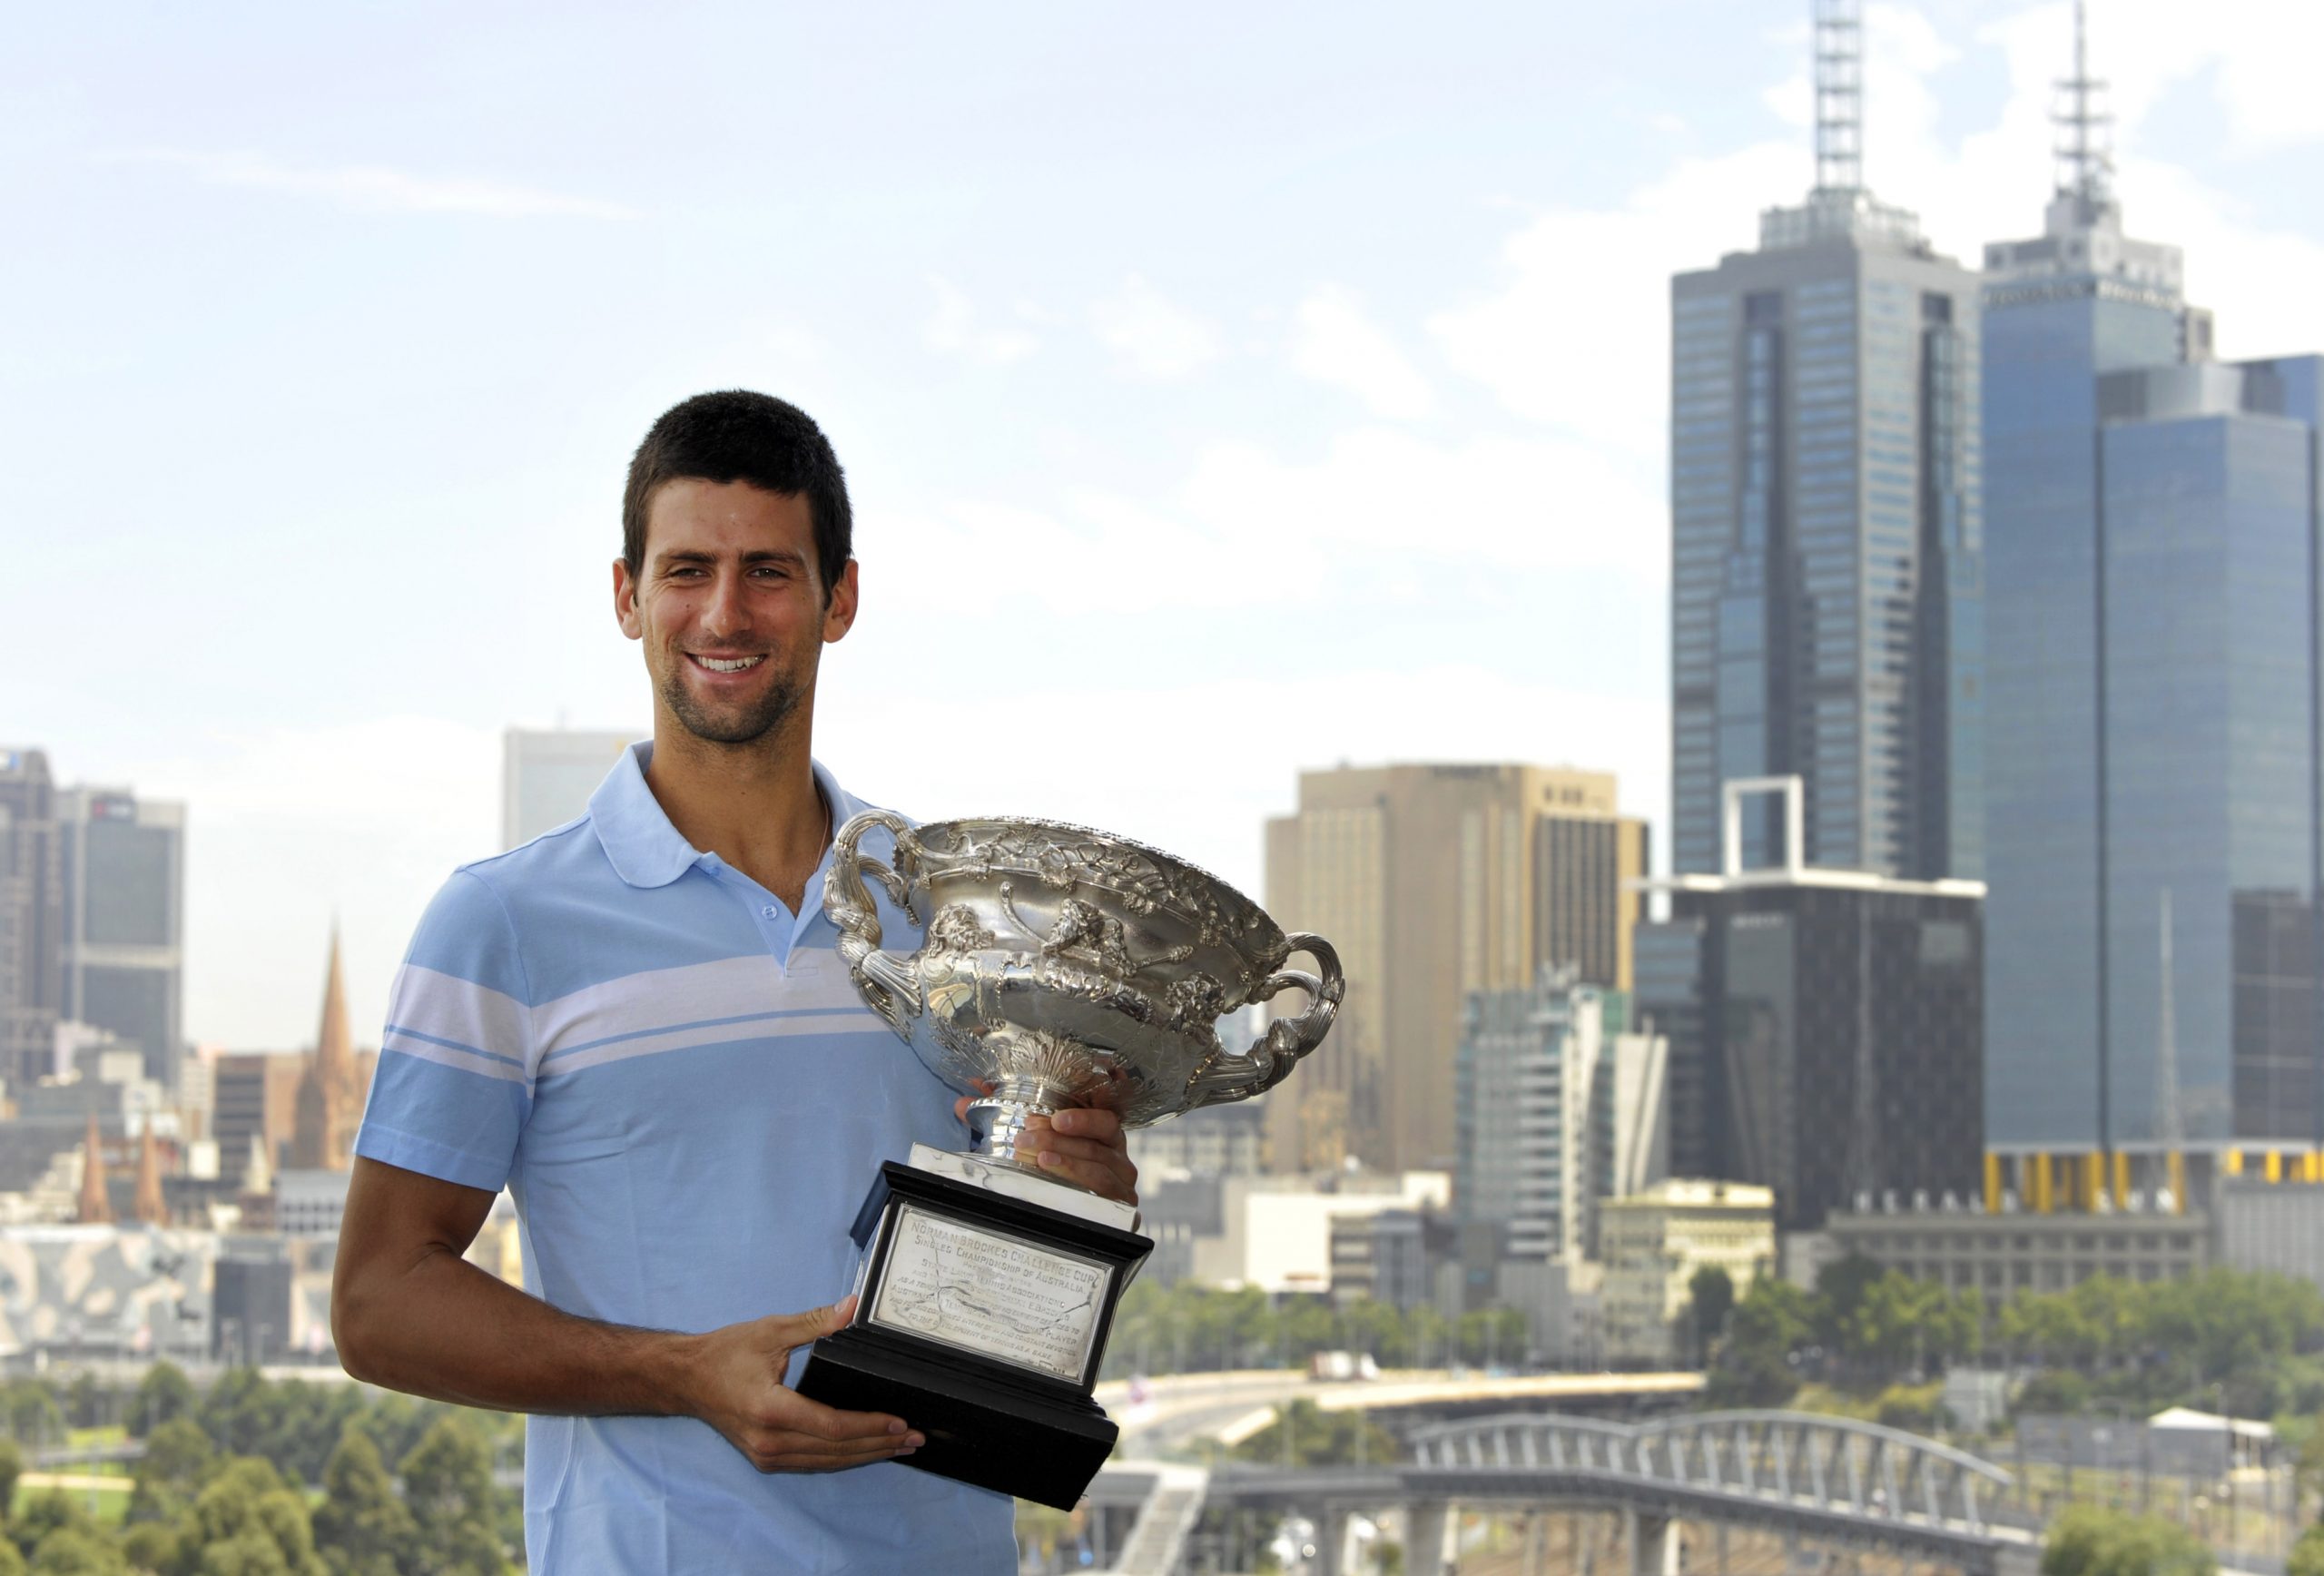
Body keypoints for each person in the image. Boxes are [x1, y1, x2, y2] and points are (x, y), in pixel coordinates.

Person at [331, 390, 1140, 1573]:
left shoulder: (959, 917)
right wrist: (678, 1376)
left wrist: (1075, 1193)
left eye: (768, 570)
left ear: (839, 600)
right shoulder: (500, 923)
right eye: (686, 570)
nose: (723, 612)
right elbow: (378, 1303)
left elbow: (1015, 1287)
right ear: (627, 596)